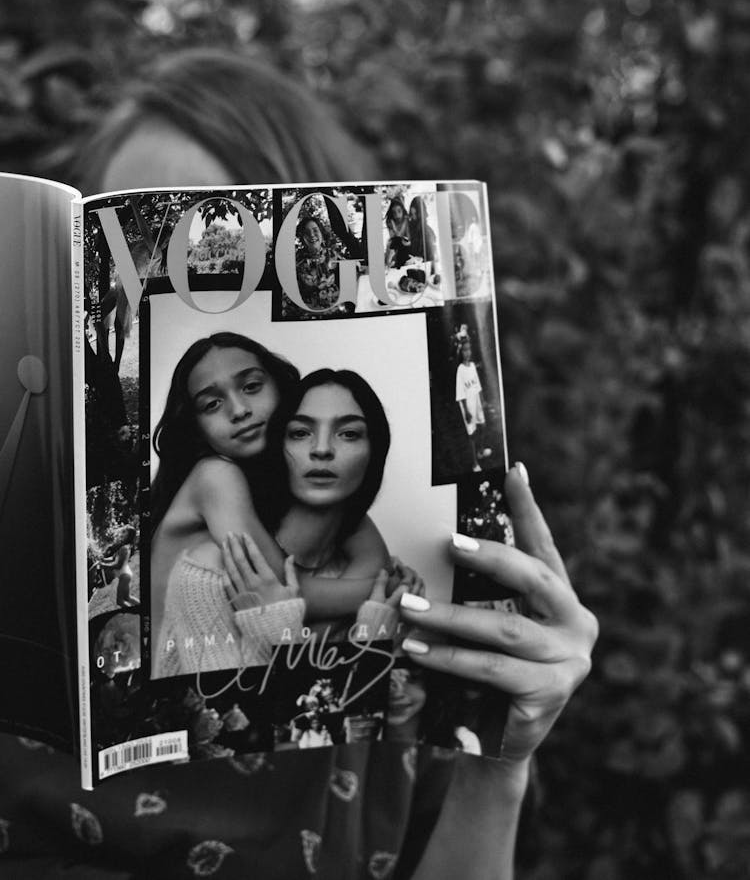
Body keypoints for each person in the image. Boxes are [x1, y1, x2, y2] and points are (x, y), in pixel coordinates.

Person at [1, 47, 597, 880]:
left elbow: (309, 596)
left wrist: (500, 762)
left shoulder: (383, 562)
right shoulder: (75, 523)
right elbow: (279, 600)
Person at [150, 336, 392, 675]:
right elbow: (282, 587)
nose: (239, 411)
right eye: (212, 405)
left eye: (251, 386)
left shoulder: (285, 482)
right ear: (196, 429)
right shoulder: (215, 476)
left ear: (282, 390)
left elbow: (374, 558)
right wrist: (385, 588)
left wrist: (380, 581)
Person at [455, 338, 492, 472]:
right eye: (465, 350)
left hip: (476, 402)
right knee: (472, 434)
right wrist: (466, 411)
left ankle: (480, 451)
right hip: (467, 405)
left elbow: (477, 384)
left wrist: (482, 400)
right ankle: (475, 464)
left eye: (469, 349)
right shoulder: (460, 370)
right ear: (461, 352)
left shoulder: (472, 366)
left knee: (483, 425)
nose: (468, 352)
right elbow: (460, 393)